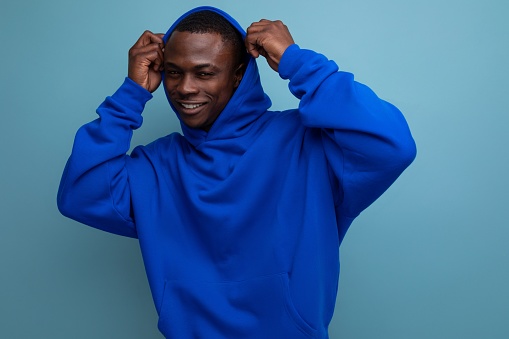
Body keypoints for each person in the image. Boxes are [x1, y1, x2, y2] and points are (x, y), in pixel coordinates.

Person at [57, 6, 416, 338]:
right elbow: (81, 194)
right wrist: (130, 95)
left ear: (238, 76)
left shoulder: (308, 145)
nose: (185, 88)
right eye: (173, 73)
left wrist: (298, 63)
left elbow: (391, 146)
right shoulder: (156, 165)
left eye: (204, 73)